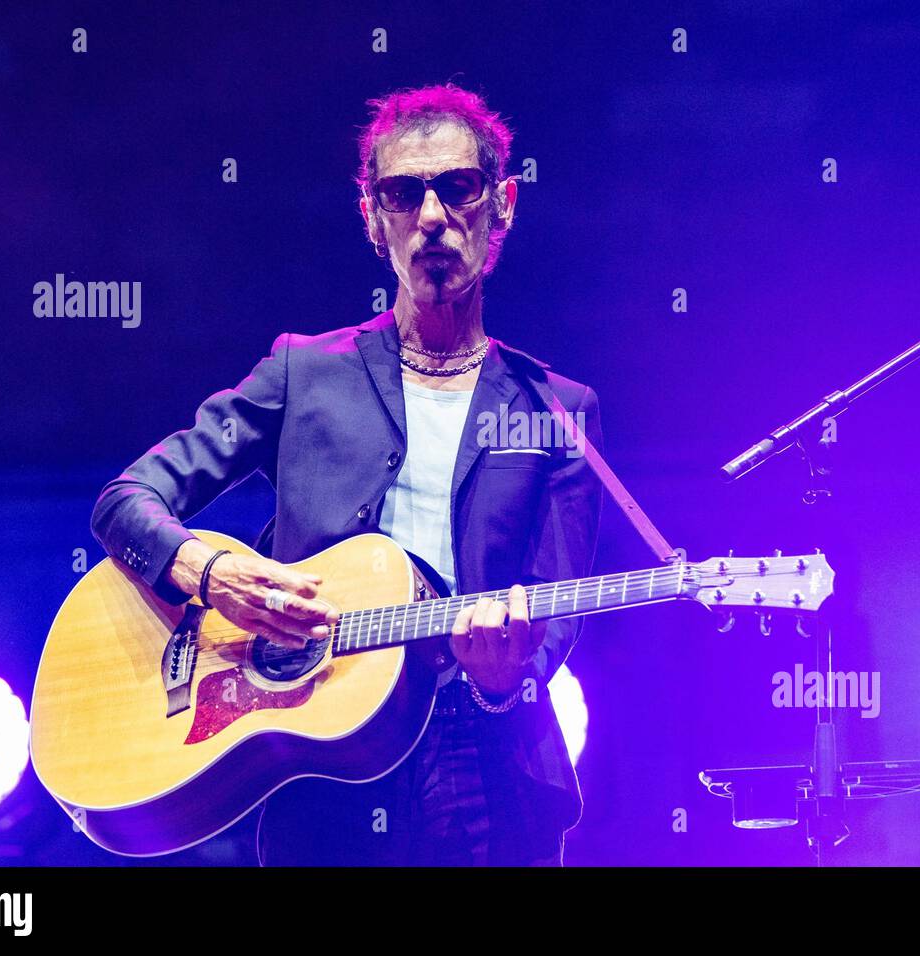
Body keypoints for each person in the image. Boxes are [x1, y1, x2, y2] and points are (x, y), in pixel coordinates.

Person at [91, 83, 602, 865]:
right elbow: (127, 501)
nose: (431, 216)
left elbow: (554, 613)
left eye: (457, 188)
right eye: (403, 194)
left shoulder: (558, 410)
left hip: (486, 764)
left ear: (502, 205)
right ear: (373, 218)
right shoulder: (304, 371)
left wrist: (504, 680)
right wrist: (212, 571)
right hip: (317, 759)